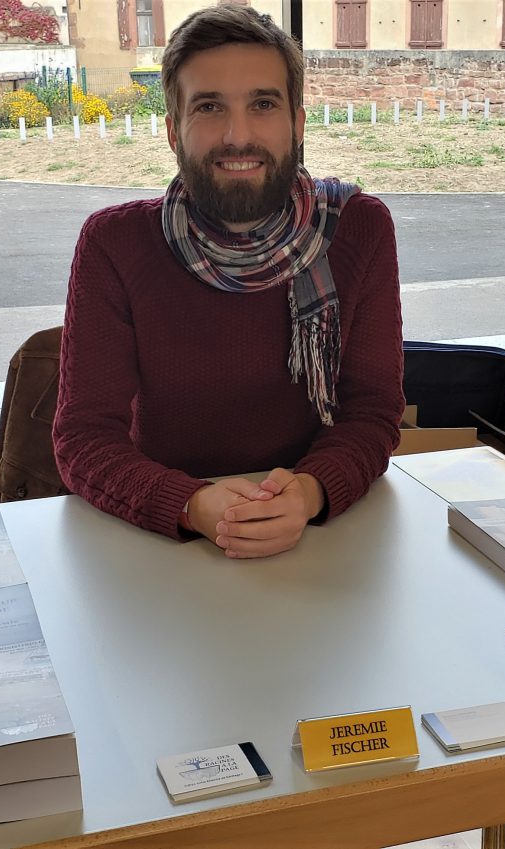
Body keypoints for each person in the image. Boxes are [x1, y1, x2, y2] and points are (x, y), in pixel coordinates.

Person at [53, 5, 404, 559]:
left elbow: (373, 412)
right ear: (173, 130)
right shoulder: (114, 244)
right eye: (209, 107)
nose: (238, 136)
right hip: (167, 547)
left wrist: (310, 492)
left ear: (298, 123)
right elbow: (84, 440)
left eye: (263, 104)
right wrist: (193, 504)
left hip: (315, 541)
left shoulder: (358, 229)